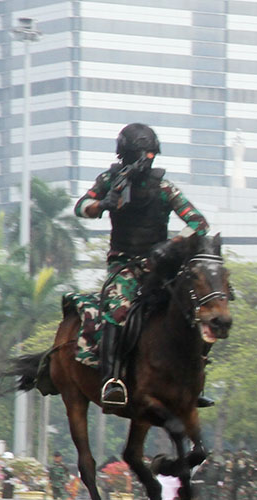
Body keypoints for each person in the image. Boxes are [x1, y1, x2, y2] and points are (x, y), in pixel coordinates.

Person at [73, 123, 215, 409]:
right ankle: (113, 381)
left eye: (151, 154)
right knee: (117, 309)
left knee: (197, 307)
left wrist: (172, 243)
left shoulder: (163, 187)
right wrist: (102, 205)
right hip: (123, 264)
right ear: (126, 154)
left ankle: (195, 380)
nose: (147, 159)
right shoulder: (108, 180)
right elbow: (81, 207)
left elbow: (198, 223)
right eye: (142, 153)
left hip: (159, 265)